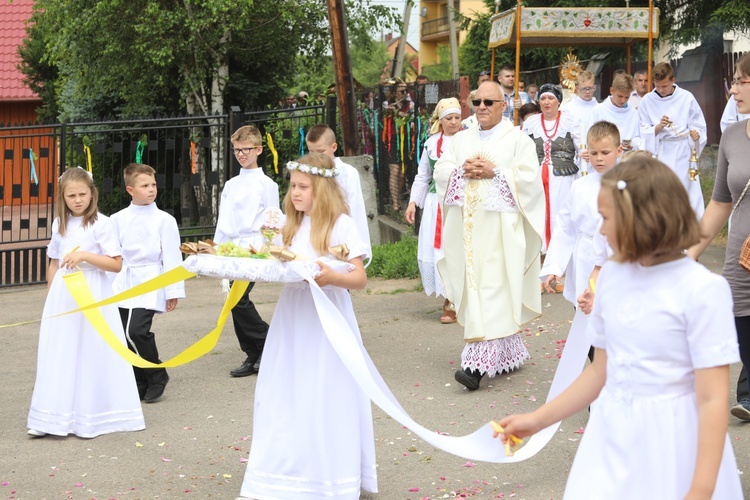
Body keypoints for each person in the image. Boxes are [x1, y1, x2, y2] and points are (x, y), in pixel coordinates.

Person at [499, 157, 743, 499]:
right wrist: (538, 420)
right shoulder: (611, 276)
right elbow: (601, 371)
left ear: (640, 218)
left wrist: (701, 489)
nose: (600, 230)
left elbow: (713, 398)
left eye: (606, 218)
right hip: (612, 437)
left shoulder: (702, 290)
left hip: (674, 441)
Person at [239, 153, 376, 498]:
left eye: (303, 187)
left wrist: (329, 275)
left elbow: (358, 276)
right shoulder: (290, 224)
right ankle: (285, 471)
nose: (294, 193)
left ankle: (329, 472)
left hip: (328, 316)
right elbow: (278, 264)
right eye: (292, 186)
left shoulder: (341, 225)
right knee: (286, 389)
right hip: (294, 316)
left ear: (323, 189)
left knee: (325, 389)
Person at [434, 81, 544, 390]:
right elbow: (440, 170)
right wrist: (460, 170)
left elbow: (529, 180)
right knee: (476, 287)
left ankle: (474, 368)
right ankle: (510, 350)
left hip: (501, 232)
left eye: (489, 102)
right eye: (477, 101)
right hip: (467, 233)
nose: (482, 106)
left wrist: (496, 172)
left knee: (495, 287)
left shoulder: (518, 140)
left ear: (503, 106)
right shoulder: (459, 139)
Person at [27, 167, 145, 438]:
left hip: (93, 292)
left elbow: (116, 264)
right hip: (63, 295)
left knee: (93, 350)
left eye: (82, 194)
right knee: (60, 352)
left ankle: (96, 414)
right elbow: (54, 262)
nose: (77, 200)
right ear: (63, 197)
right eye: (71, 195)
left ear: (92, 194)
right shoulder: (60, 224)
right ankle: (51, 418)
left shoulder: (102, 224)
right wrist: (50, 296)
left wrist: (85, 257)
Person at [688, 52, 750, 421]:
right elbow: (719, 204)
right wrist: (688, 252)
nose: (733, 90)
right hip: (740, 256)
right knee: (741, 326)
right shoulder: (730, 136)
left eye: (741, 81)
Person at [110, 163, 186, 403]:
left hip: (151, 280)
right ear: (130, 190)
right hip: (123, 282)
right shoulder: (116, 219)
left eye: (153, 184)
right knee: (121, 335)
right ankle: (139, 379)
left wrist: (172, 290)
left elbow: (172, 257)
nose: (152, 189)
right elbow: (113, 254)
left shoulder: (165, 220)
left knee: (137, 331)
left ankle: (157, 375)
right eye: (145, 186)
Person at [214, 125, 280, 378]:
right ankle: (252, 352)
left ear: (259, 150)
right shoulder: (231, 184)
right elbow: (223, 218)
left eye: (246, 149)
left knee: (239, 299)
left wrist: (268, 249)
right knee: (233, 300)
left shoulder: (267, 184)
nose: (241, 154)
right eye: (237, 150)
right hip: (232, 247)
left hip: (254, 246)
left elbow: (273, 217)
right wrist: (217, 249)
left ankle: (266, 342)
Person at [540, 121, 622, 307]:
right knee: (586, 307)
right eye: (593, 153)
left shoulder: (629, 184)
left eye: (605, 152)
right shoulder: (579, 186)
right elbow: (565, 228)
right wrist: (555, 266)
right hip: (585, 257)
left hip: (617, 258)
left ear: (619, 151)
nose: (599, 158)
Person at [405, 98, 462, 324]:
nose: (454, 122)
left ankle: (462, 299)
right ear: (440, 120)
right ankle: (448, 300)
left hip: (460, 202)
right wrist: (412, 203)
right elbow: (423, 175)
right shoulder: (431, 144)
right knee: (440, 250)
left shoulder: (468, 140)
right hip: (434, 203)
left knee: (459, 248)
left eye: (457, 117)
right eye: (449, 118)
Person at [638, 61, 707, 218]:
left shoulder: (686, 98)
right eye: (657, 86)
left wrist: (696, 135)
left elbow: (698, 125)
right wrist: (658, 127)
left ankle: (690, 229)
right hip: (660, 152)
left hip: (683, 152)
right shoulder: (647, 101)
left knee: (687, 191)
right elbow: (642, 131)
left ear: (673, 80)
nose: (661, 90)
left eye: (664, 86)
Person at [522, 83, 582, 250]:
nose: (547, 102)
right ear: (538, 102)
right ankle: (540, 250)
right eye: (543, 98)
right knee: (539, 213)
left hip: (564, 177)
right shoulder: (531, 123)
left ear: (558, 101)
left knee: (561, 213)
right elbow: (521, 148)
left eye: (550, 98)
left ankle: (561, 250)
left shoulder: (571, 121)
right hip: (537, 177)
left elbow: (581, 149)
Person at [305, 124, 372, 264]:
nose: (316, 157)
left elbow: (356, 209)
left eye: (321, 151)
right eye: (311, 152)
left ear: (333, 147)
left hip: (340, 235)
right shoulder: (307, 172)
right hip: (315, 235)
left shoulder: (348, 173)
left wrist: (358, 246)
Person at [584, 74, 644, 153]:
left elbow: (639, 138)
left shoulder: (633, 113)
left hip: (627, 160)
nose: (623, 100)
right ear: (611, 90)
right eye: (620, 96)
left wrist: (632, 144)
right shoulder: (598, 111)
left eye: (627, 97)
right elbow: (590, 138)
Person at [382, 78, 414, 211]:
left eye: (406, 91)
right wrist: (396, 112)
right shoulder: (387, 104)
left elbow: (410, 117)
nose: (405, 93)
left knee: (402, 172)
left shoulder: (410, 104)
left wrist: (401, 114)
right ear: (395, 92)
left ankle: (396, 196)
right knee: (394, 170)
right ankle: (395, 203)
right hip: (392, 139)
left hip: (406, 139)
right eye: (402, 91)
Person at [561, 71, 598, 162]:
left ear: (595, 87)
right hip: (576, 156)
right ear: (577, 88)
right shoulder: (568, 109)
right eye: (584, 89)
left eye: (590, 88)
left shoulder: (600, 108)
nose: (588, 92)